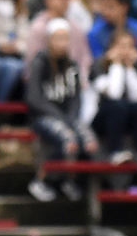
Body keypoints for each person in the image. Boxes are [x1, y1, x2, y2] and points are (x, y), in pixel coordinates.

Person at [27, 18, 97, 203]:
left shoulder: (72, 65)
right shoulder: (40, 63)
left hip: (67, 116)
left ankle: (71, 180)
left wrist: (71, 117)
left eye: (65, 38)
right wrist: (61, 117)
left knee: (89, 141)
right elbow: (34, 98)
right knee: (68, 140)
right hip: (43, 116)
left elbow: (75, 97)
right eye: (58, 38)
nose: (62, 43)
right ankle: (43, 180)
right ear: (49, 40)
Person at [90, 30, 137, 162]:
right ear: (111, 48)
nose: (126, 51)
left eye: (130, 46)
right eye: (121, 46)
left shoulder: (136, 66)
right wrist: (116, 64)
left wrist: (129, 68)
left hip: (126, 118)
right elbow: (114, 93)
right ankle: (114, 151)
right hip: (101, 119)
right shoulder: (98, 65)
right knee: (118, 105)